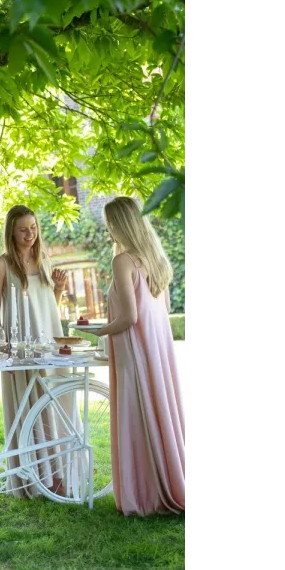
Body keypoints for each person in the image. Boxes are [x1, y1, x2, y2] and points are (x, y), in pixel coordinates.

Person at [81, 196, 185, 516]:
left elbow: (129, 317)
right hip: (158, 349)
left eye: (110, 223)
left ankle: (144, 495)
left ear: (120, 224)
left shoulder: (123, 261)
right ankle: (162, 485)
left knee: (136, 419)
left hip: (135, 350)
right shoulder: (155, 259)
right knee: (157, 413)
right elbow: (162, 310)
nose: (108, 230)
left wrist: (99, 331)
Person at [0, 204, 70, 498]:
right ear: (11, 231)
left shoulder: (45, 261)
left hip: (49, 345)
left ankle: (59, 474)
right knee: (28, 407)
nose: (30, 234)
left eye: (33, 227)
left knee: (53, 406)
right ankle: (34, 480)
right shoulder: (2, 265)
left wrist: (58, 289)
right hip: (20, 348)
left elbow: (47, 310)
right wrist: (2, 346)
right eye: (23, 229)